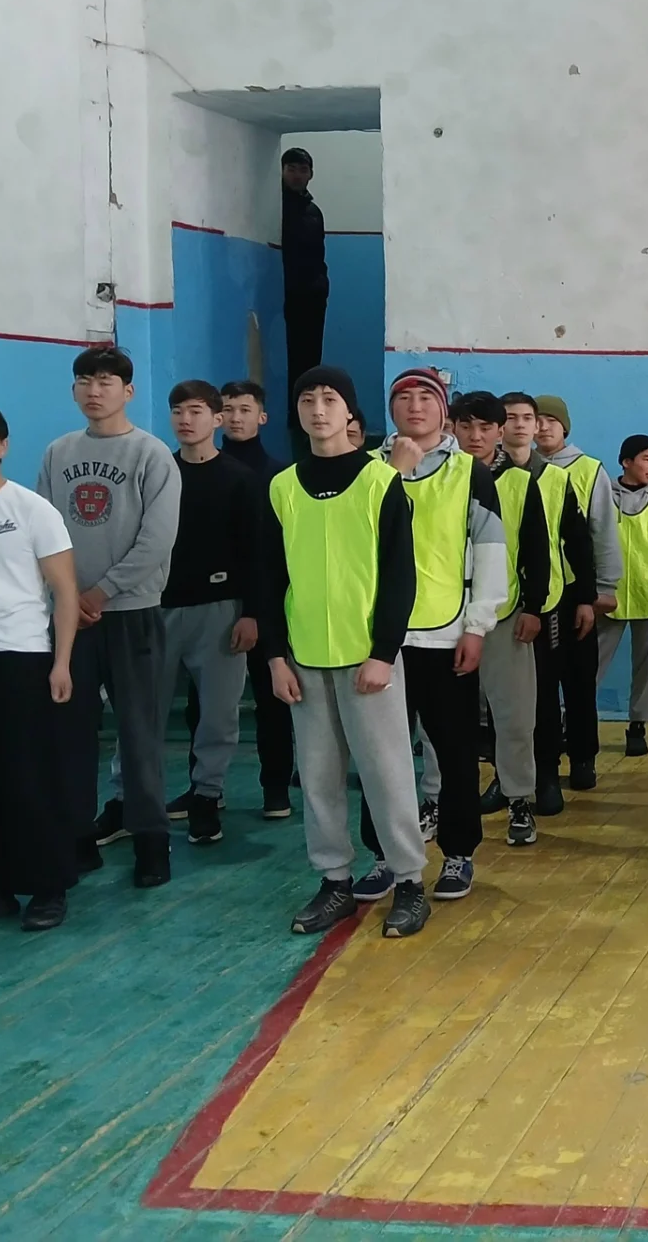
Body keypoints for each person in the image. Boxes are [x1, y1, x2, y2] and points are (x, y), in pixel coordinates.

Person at [260, 367, 429, 939]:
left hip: (367, 660)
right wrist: (276, 656)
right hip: (304, 658)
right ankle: (334, 880)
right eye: (307, 399)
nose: (318, 409)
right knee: (318, 777)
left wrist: (384, 651)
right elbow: (268, 577)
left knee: (387, 773)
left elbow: (401, 575)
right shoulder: (283, 487)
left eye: (330, 399)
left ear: (350, 412)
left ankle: (409, 882)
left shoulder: (381, 481)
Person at [38, 346, 182, 886]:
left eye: (105, 381)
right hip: (70, 617)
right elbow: (45, 531)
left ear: (128, 391)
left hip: (132, 612)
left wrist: (101, 592)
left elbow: (157, 538)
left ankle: (151, 843)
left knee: (139, 735)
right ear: (74, 390)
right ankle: (78, 838)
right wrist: (66, 597)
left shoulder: (151, 455)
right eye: (84, 381)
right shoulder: (58, 453)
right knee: (70, 732)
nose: (94, 390)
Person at [361, 366, 502, 904]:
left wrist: (478, 625)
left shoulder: (470, 473)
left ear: (443, 410)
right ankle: (385, 855)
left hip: (446, 636)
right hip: (380, 641)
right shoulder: (368, 469)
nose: (415, 406)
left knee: (456, 753)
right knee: (380, 755)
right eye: (404, 397)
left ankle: (458, 853)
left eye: (426, 397)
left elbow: (490, 552)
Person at [0, 400, 80, 931]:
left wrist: (62, 662)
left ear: (3, 447)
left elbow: (65, 592)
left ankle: (49, 887)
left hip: (21, 657)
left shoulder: (33, 510)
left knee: (28, 778)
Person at [151, 382, 261, 847]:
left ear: (216, 419)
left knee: (217, 715)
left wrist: (251, 613)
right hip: (157, 608)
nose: (185, 419)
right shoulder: (158, 473)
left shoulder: (240, 479)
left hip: (220, 612)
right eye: (177, 411)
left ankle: (206, 796)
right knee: (142, 711)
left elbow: (256, 551)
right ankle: (128, 798)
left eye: (195, 411)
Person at [451, 392, 552, 846]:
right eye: (466, 426)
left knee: (514, 716)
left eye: (485, 427)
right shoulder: (439, 477)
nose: (475, 436)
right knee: (443, 721)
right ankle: (442, 801)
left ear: (499, 431)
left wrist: (533, 607)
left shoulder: (519, 482)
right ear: (453, 428)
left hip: (504, 614)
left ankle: (518, 800)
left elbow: (537, 547)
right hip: (443, 617)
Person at [496, 392, 594, 817]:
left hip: (547, 601)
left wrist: (586, 597)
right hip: (495, 603)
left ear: (537, 425)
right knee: (502, 701)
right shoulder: (483, 476)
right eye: (511, 417)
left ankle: (547, 776)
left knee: (542, 694)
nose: (520, 425)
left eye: (527, 418)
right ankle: (506, 779)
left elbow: (578, 542)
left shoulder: (556, 478)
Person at [534, 394, 622, 790]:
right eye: (536, 420)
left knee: (580, 681)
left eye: (551, 421)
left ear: (565, 427)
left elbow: (603, 531)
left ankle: (584, 758)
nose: (542, 427)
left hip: (576, 591)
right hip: (539, 596)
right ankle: (546, 762)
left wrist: (603, 588)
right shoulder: (522, 469)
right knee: (541, 686)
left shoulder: (588, 469)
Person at [218, 380, 296, 817]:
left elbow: (275, 552)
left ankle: (276, 787)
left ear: (261, 417)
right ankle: (206, 790)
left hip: (268, 604)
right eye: (227, 409)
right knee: (206, 705)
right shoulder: (196, 468)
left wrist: (256, 611)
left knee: (271, 699)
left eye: (244, 409)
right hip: (212, 603)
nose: (235, 417)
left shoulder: (280, 476)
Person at [601, 434, 648, 757]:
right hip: (607, 597)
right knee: (590, 665)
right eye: (646, 459)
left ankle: (638, 725)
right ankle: (574, 721)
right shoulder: (601, 498)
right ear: (626, 462)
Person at [280, 148, 329, 412]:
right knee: (288, 357)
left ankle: (305, 414)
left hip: (313, 296)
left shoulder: (313, 211)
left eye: (303, 169)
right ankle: (291, 415)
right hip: (287, 296)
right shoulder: (276, 207)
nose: (297, 175)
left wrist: (321, 286)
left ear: (311, 174)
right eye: (291, 169)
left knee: (310, 359)